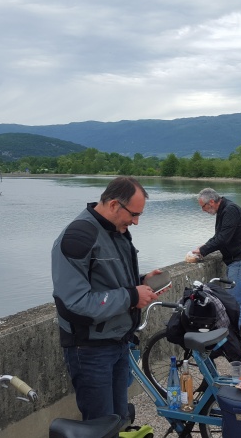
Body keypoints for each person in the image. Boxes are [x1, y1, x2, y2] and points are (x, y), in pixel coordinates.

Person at [52, 176, 162, 422]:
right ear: (114, 205)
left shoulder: (116, 231)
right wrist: (132, 296)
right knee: (100, 425)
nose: (136, 222)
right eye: (134, 214)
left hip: (118, 342)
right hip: (90, 349)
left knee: (119, 418)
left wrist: (141, 283)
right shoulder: (78, 236)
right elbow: (74, 304)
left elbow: (108, 282)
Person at [191, 188, 241, 324]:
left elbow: (223, 238)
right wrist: (205, 246)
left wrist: (203, 250)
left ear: (212, 202)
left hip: (240, 262)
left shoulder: (230, 210)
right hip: (235, 262)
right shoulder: (224, 210)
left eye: (203, 207)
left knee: (234, 304)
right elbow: (219, 236)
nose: (203, 210)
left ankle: (238, 341)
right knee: (233, 303)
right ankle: (237, 337)